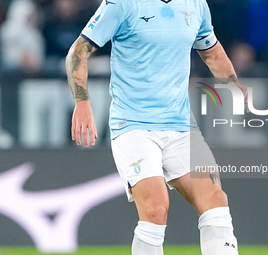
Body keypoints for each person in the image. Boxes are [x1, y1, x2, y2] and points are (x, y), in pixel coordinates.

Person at [65, 0, 248, 254]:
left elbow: (212, 52)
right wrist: (82, 102)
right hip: (133, 125)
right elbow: (78, 51)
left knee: (216, 200)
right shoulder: (122, 4)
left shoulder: (196, 4)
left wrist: (234, 87)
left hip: (182, 125)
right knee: (155, 208)